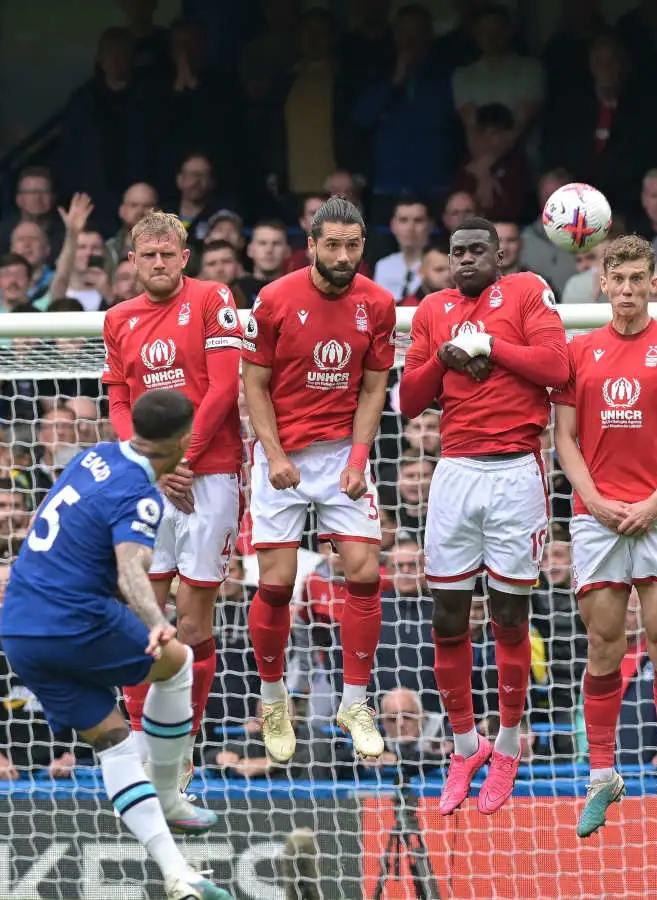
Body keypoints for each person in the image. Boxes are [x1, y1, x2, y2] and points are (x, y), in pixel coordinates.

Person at [0, 389, 231, 900]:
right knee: (178, 662)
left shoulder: (92, 455)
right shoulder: (140, 495)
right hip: (73, 618)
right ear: (182, 439)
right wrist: (155, 621)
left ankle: (178, 875)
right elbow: (130, 570)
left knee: (115, 744)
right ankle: (170, 794)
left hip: (18, 627)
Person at [397, 218, 567, 815]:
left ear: (499, 254)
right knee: (447, 616)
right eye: (456, 252)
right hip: (455, 472)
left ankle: (510, 744)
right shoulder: (430, 310)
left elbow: (557, 369)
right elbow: (408, 401)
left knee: (508, 614)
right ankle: (466, 745)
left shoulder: (526, 291)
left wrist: (492, 347)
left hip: (517, 471)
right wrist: (444, 358)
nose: (465, 259)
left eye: (477, 250)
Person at [552, 235, 657, 839]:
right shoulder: (577, 351)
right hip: (597, 517)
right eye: (616, 280)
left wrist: (651, 503)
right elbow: (563, 435)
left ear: (653, 284)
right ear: (601, 282)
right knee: (603, 644)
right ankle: (603, 776)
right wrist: (592, 500)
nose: (626, 290)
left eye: (637, 279)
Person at [241, 195, 396, 763]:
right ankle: (274, 696)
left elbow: (374, 387)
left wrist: (358, 459)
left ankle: (355, 701)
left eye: (352, 245)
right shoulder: (275, 299)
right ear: (309, 246)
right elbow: (253, 383)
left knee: (363, 573)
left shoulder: (378, 303)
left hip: (340, 458)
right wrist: (275, 454)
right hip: (280, 453)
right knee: (276, 585)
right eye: (331, 244)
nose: (342, 254)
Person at [102, 211, 245, 776]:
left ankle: (183, 744)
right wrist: (148, 463)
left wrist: (181, 458)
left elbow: (225, 384)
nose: (158, 263)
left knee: (192, 623)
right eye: (147, 255)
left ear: (184, 258)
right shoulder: (117, 319)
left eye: (168, 254)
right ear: (131, 261)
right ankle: (142, 745)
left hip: (209, 476)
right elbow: (117, 401)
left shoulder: (213, 297)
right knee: (142, 616)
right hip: (148, 484)